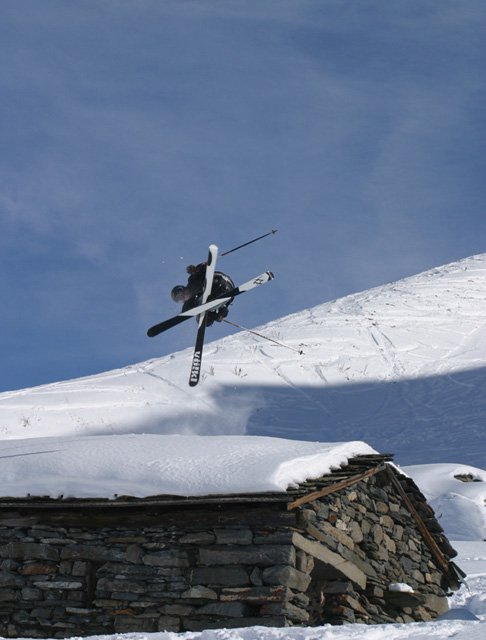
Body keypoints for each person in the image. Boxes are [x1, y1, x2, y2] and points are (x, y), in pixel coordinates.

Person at [171, 262, 235, 326]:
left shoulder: (192, 281)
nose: (183, 296)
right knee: (201, 318)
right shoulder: (189, 303)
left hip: (218, 281)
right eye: (180, 299)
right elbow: (185, 310)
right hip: (229, 293)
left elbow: (203, 267)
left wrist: (195, 270)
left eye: (181, 294)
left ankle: (219, 303)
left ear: (182, 289)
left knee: (202, 302)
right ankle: (218, 311)